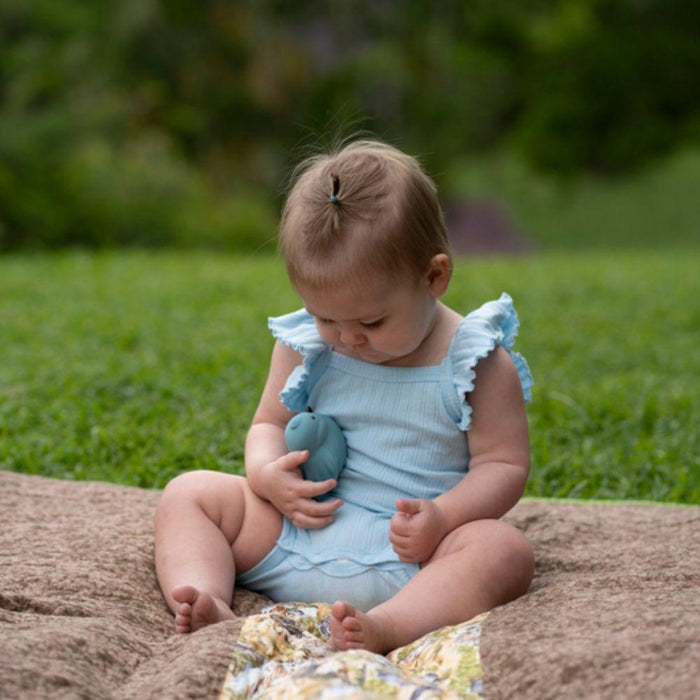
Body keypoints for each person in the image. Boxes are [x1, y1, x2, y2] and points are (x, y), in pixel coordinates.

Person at [154, 139, 535, 654]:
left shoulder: (474, 361)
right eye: (325, 316)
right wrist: (267, 474)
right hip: (299, 534)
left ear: (434, 276)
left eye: (372, 321)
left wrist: (442, 518)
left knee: (503, 550)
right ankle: (205, 599)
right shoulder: (307, 346)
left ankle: (389, 627)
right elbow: (267, 424)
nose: (348, 338)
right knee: (189, 492)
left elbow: (503, 463)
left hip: (415, 559)